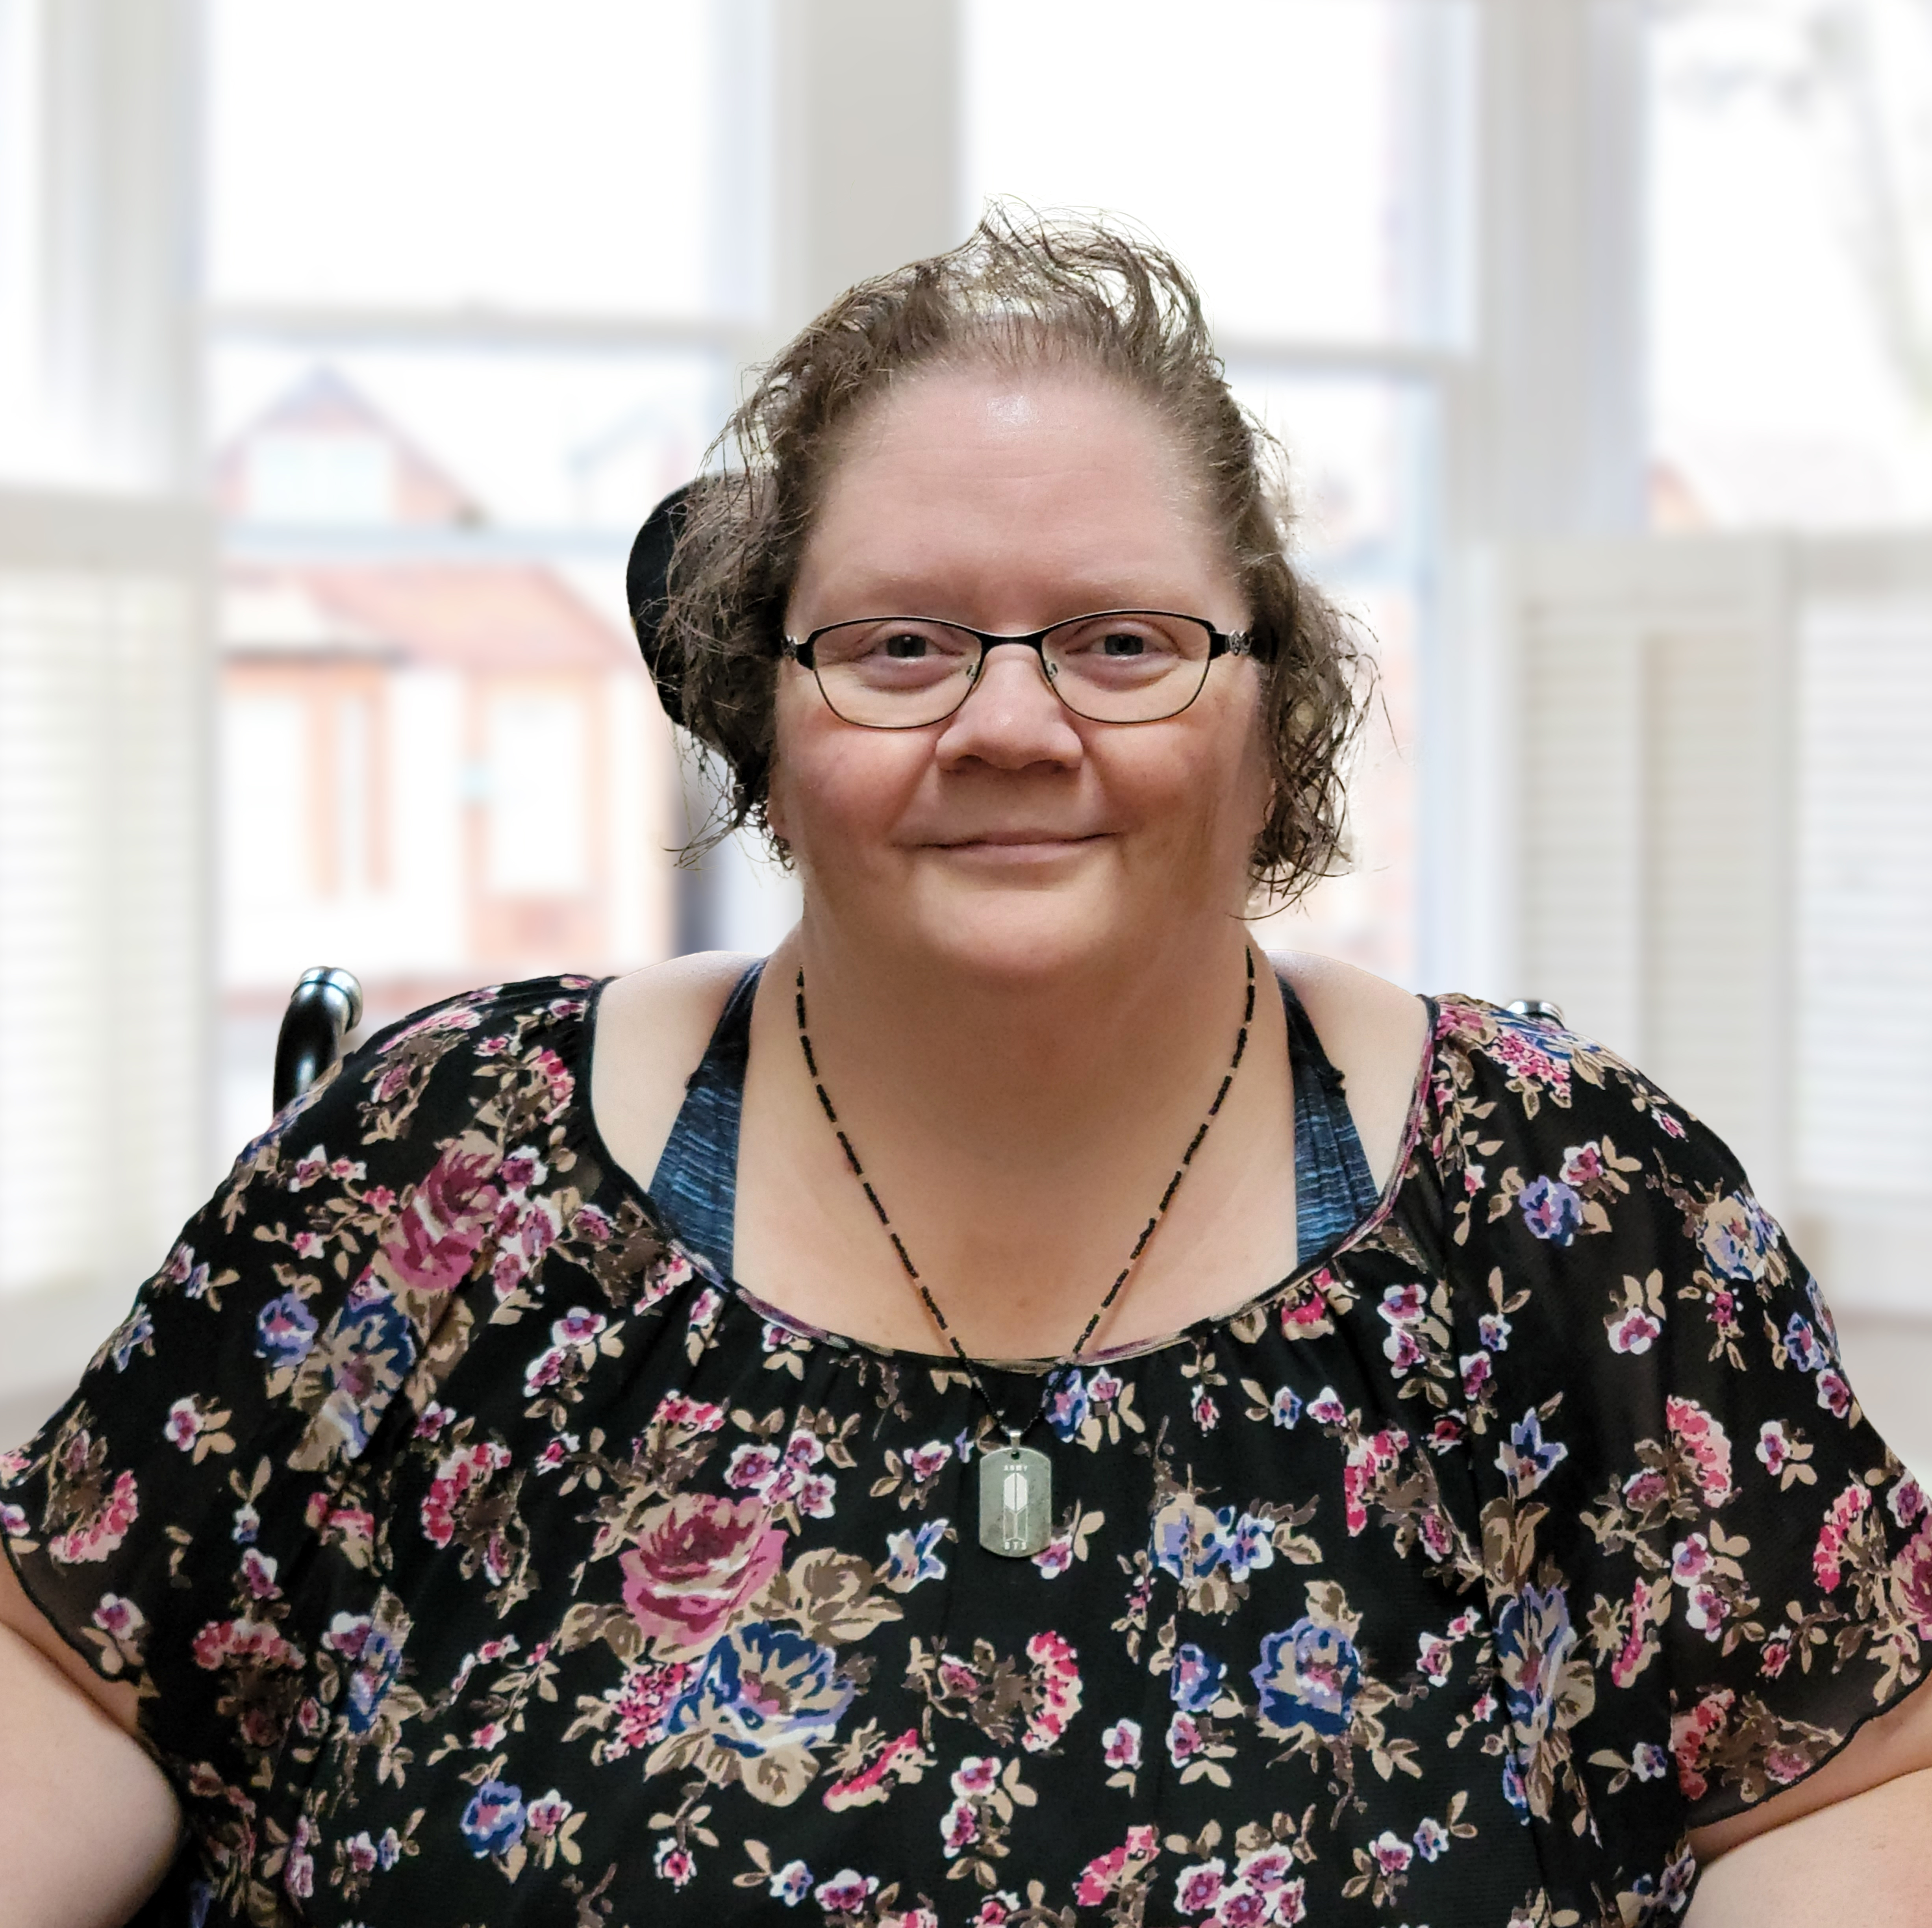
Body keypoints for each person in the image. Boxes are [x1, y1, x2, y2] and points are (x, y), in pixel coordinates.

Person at [3, 211, 1930, 1928]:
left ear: (1278, 717)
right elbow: (71, 1681)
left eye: (1119, 641)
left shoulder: (1572, 1207)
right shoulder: (436, 1167)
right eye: (904, 644)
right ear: (760, 708)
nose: (1010, 725)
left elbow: (1853, 1782)